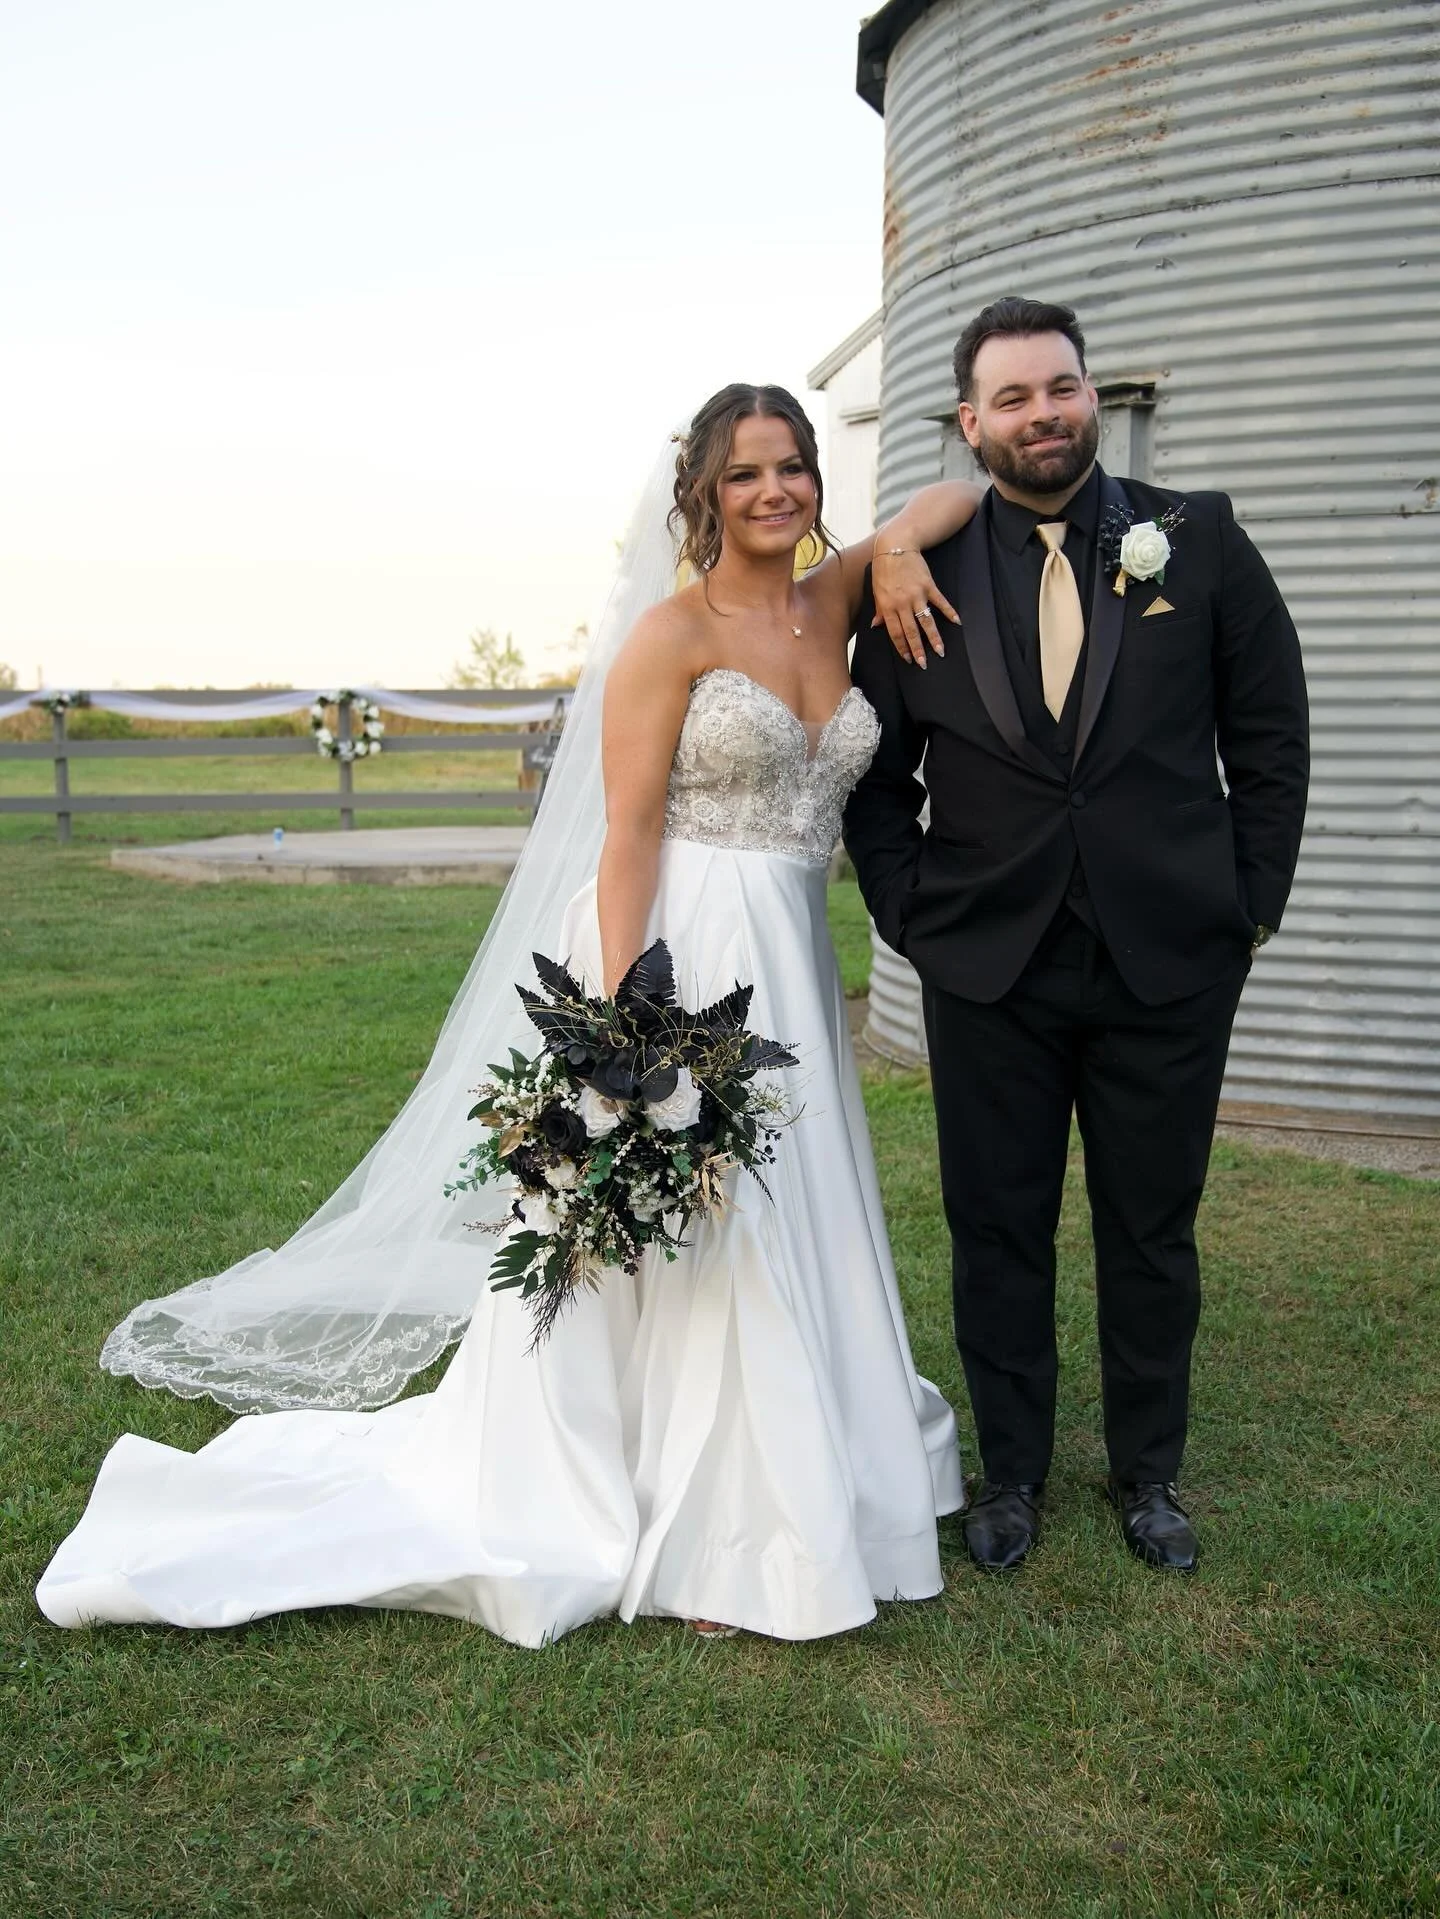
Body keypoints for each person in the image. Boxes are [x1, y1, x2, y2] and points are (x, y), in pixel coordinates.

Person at [37, 385, 985, 1645]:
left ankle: (816, 1461)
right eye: (747, 473)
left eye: (795, 469)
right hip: (691, 950)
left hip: (796, 960)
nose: (776, 492)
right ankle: (721, 1522)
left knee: (798, 1196)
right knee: (714, 1222)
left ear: (820, 481)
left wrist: (906, 544)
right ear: (701, 493)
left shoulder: (842, 591)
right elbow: (631, 830)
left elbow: (957, 489)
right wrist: (626, 1022)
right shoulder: (670, 635)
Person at [844, 297, 1310, 1576]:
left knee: (1151, 1225)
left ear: (1089, 393)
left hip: (1169, 955)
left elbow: (1270, 734)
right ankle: (1013, 1475)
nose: (1041, 412)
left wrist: (1248, 903)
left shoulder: (1196, 538)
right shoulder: (917, 575)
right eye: (1011, 396)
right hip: (988, 963)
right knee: (997, 1226)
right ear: (968, 423)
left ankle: (1149, 1474)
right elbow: (876, 780)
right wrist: (912, 914)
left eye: (1060, 387)